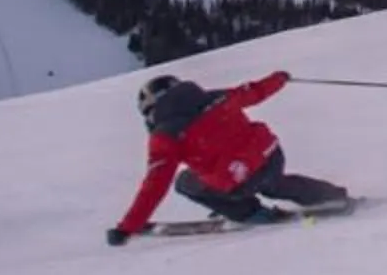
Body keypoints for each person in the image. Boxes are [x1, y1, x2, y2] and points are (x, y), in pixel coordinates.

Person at [107, 70, 351, 243]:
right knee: (273, 182)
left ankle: (251, 214)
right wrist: (280, 78)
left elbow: (155, 185)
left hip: (237, 180)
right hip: (270, 155)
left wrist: (129, 226)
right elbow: (254, 91)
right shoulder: (216, 98)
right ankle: (332, 196)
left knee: (185, 182)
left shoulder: (166, 135)